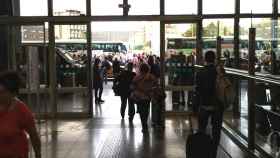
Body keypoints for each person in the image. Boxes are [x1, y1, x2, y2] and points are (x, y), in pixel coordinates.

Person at [0, 71, 41, 158]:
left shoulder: (22, 111)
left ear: (14, 93)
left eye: (2, 92)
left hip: (16, 154)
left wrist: (38, 155)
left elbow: (34, 136)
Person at [196, 51, 223, 158]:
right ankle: (213, 153)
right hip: (217, 105)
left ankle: (203, 152)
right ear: (215, 59)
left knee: (202, 129)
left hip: (204, 105)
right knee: (216, 130)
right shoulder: (219, 72)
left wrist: (195, 106)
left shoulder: (200, 72)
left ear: (205, 59)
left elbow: (198, 90)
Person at [131, 63, 157, 133]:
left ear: (140, 69)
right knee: (146, 111)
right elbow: (155, 86)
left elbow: (132, 87)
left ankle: (144, 125)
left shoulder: (137, 77)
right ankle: (145, 124)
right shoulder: (151, 77)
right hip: (148, 97)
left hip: (139, 97)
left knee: (141, 112)